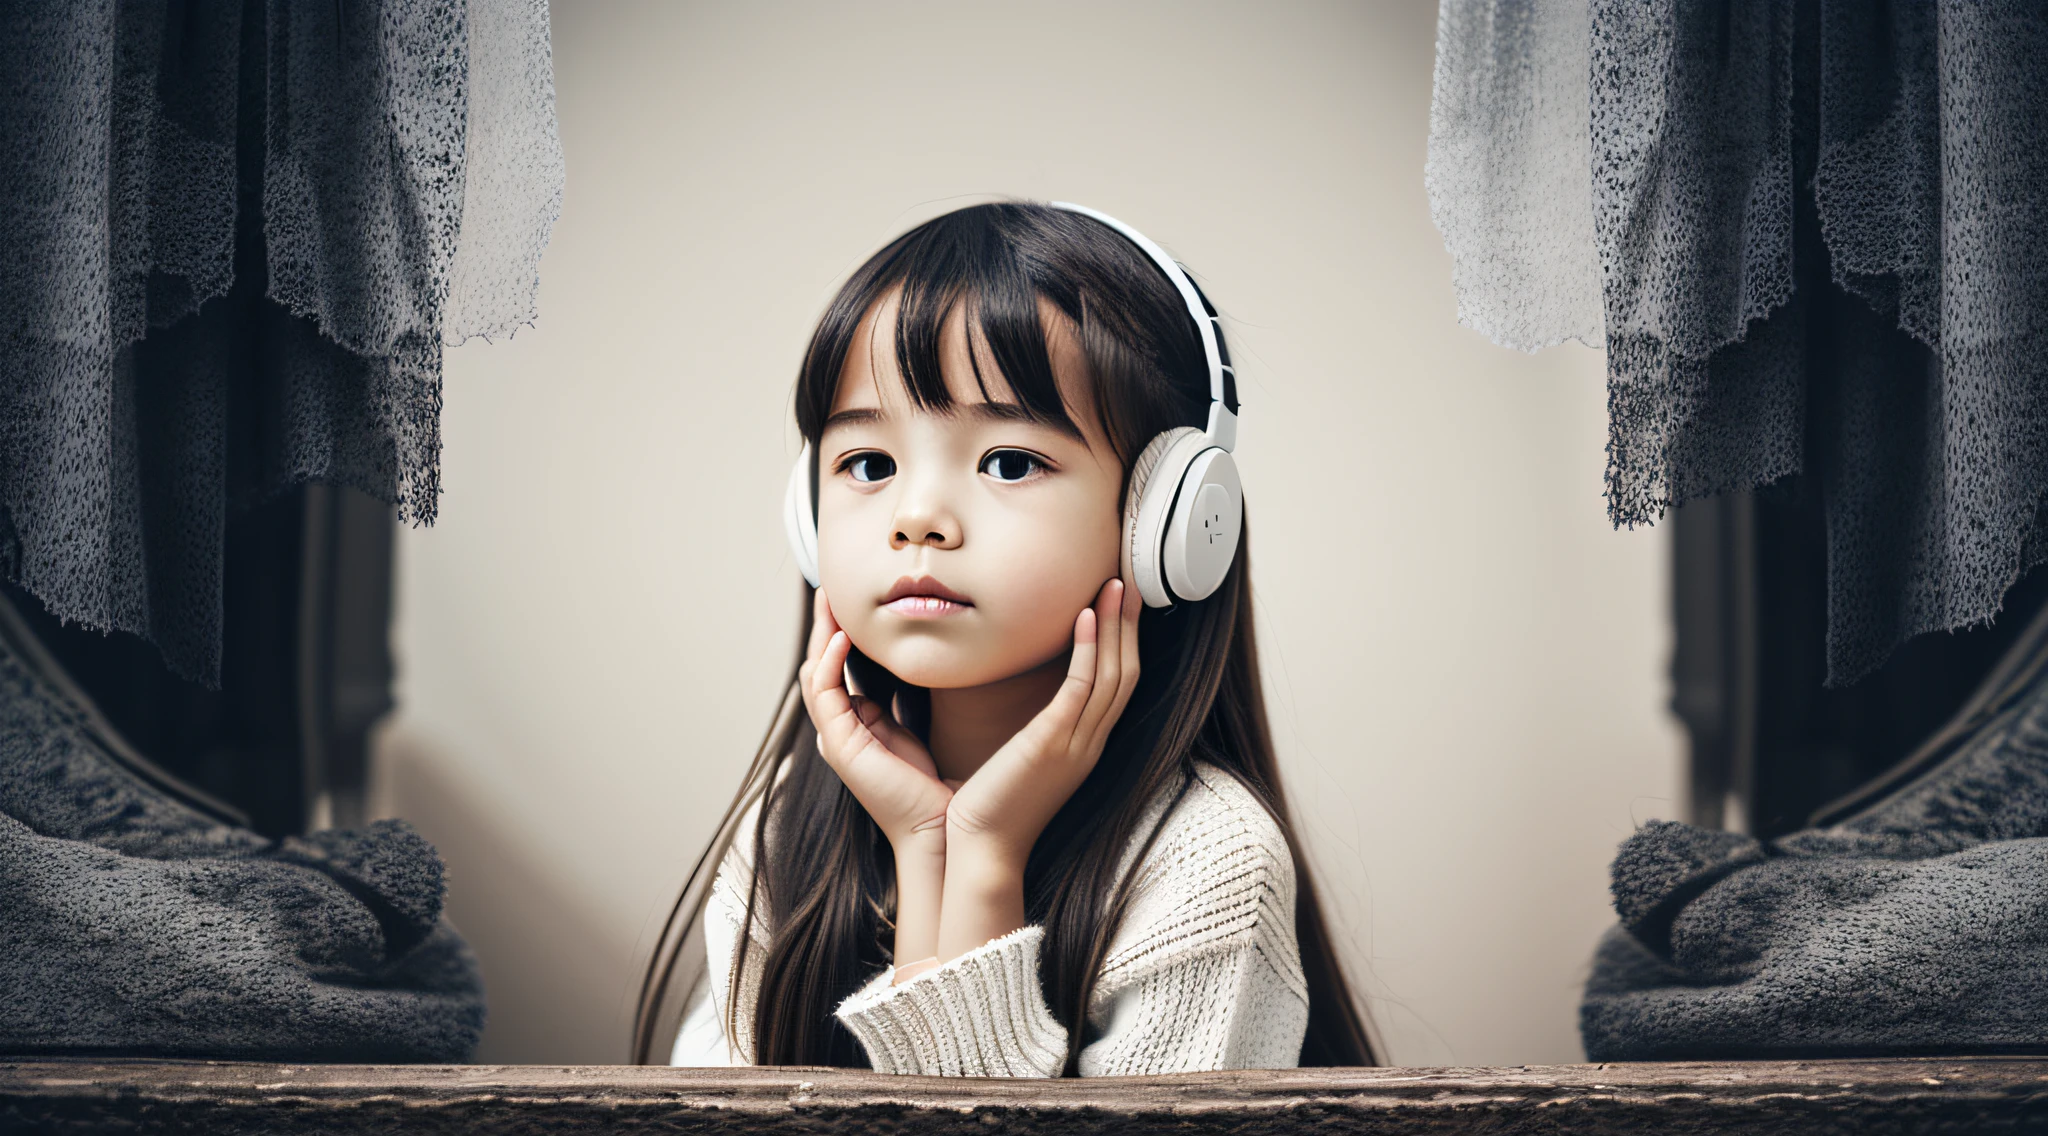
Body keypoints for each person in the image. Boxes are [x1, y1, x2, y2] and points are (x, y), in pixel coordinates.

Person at [638, 201, 1374, 1075]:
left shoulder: (1209, 861)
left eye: (1010, 463)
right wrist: (922, 844)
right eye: (868, 466)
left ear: (1168, 521)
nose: (917, 519)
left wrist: (981, 858)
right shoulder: (791, 820)